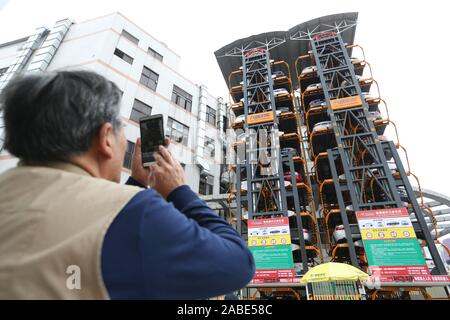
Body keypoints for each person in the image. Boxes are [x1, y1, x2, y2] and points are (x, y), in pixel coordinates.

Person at [0, 70, 255, 299]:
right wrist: (180, 190)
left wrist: (136, 182)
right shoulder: (138, 212)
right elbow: (237, 264)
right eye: (121, 131)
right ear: (105, 139)